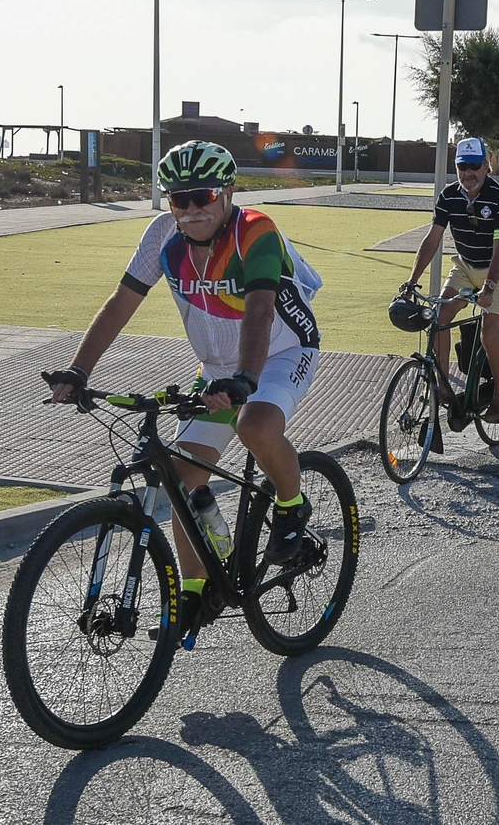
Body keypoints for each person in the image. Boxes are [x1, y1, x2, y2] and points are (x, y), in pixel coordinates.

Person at [44, 139, 322, 634]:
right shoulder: (161, 238)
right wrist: (79, 370)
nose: (192, 210)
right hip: (218, 365)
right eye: (179, 199)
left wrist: (246, 382)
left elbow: (258, 312)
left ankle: (290, 503)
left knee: (255, 425)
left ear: (228, 193)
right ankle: (196, 590)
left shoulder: (255, 231)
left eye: (203, 196)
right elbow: (121, 303)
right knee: (181, 474)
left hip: (281, 351)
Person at [402, 137, 499, 423]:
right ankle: (442, 386)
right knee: (440, 317)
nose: (469, 173)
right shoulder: (448, 196)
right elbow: (432, 239)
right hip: (465, 266)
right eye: (462, 167)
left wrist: (489, 288)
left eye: (474, 166)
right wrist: (411, 282)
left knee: (489, 334)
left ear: (486, 166)